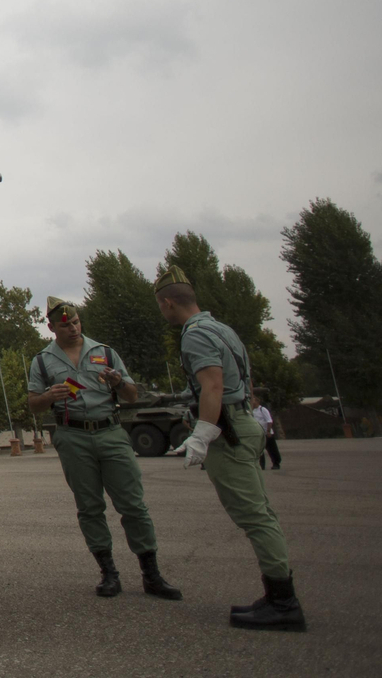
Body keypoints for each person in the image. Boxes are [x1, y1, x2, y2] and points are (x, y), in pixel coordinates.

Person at [157, 265, 306, 632]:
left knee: (255, 518)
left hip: (230, 431)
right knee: (261, 513)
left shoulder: (194, 335)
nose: (162, 311)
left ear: (168, 303)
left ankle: (284, 603)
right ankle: (276, 595)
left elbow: (213, 385)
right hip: (244, 422)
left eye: (161, 306)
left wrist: (202, 434)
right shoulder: (221, 329)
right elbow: (239, 383)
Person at [27, 296, 182, 600]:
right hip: (73, 437)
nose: (73, 328)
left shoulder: (105, 353)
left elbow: (132, 395)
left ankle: (152, 575)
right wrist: (48, 397)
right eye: (65, 325)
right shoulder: (42, 361)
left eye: (76, 322)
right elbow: (33, 404)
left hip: (110, 432)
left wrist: (118, 383)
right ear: (51, 327)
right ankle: (108, 573)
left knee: (133, 505)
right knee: (89, 507)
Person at [251, 390, 283, 471]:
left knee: (272, 449)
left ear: (257, 401)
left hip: (267, 433)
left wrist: (268, 431)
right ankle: (261, 465)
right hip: (258, 434)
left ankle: (276, 463)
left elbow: (269, 421)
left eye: (253, 399)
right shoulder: (252, 411)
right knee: (259, 450)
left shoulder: (263, 409)